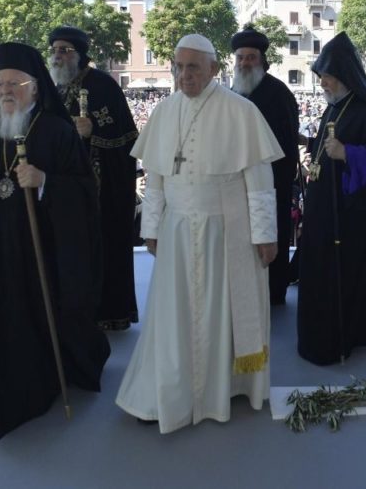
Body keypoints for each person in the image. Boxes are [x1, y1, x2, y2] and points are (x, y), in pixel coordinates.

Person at [116, 34, 282, 434]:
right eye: (178, 66)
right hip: (176, 230)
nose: (184, 74)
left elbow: (259, 180)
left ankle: (224, 388)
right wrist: (151, 228)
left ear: (213, 69)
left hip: (227, 230)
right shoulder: (163, 111)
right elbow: (153, 178)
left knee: (220, 312)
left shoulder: (241, 111)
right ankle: (166, 392)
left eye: (193, 67)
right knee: (174, 315)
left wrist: (265, 234)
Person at [0, 41, 110, 442]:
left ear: (35, 87)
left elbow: (85, 194)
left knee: (49, 318)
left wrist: (45, 183)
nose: (6, 91)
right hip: (3, 255)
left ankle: (52, 374)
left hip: (48, 255)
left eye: (14, 83)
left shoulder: (57, 132)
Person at [296, 32, 366, 365]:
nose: (322, 83)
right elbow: (326, 146)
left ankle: (349, 333)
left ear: (342, 76)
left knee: (343, 275)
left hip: (352, 219)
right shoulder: (335, 108)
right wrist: (307, 143)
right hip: (324, 210)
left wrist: (349, 154)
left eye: (325, 77)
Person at [48, 25, 140, 331]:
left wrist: (94, 133)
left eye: (64, 50)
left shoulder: (102, 85)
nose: (57, 56)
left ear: (79, 53)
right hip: (63, 188)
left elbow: (127, 139)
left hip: (101, 189)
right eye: (55, 50)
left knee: (103, 249)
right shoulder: (55, 88)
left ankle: (109, 313)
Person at [230, 27, 300, 305]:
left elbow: (286, 145)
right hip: (237, 183)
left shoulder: (278, 93)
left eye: (251, 57)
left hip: (271, 182)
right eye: (240, 57)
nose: (245, 63)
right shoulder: (233, 91)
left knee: (273, 234)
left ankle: (273, 291)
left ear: (262, 60)